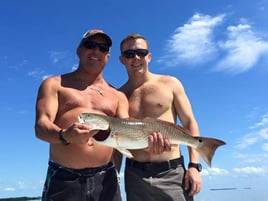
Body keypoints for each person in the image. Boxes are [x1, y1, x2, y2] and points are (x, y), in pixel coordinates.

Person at [34, 29, 129, 201]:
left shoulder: (118, 96)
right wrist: (64, 136)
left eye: (103, 48)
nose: (96, 51)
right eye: (90, 45)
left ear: (108, 56)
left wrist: (117, 173)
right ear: (79, 50)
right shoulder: (54, 85)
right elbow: (41, 126)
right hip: (64, 179)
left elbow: (125, 134)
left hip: (107, 180)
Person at [119, 34, 202, 201]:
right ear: (122, 59)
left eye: (141, 53)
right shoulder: (120, 95)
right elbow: (117, 138)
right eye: (129, 54)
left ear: (149, 57)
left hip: (172, 173)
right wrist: (114, 173)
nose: (135, 57)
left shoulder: (170, 83)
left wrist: (194, 166)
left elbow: (189, 122)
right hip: (134, 176)